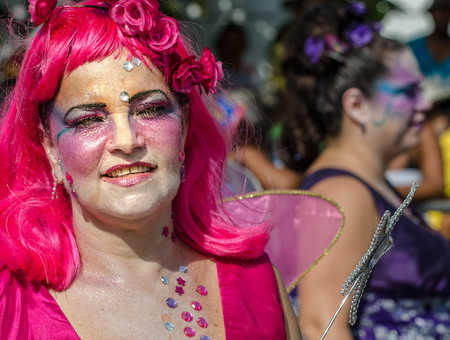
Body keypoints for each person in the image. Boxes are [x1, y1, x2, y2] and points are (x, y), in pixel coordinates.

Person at [0, 1, 301, 338]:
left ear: (184, 126)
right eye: (88, 119)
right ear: (50, 147)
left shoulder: (257, 283)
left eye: (150, 109)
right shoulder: (9, 304)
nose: (127, 141)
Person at [280, 3, 450, 339]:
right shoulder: (343, 194)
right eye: (407, 92)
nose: (425, 104)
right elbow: (321, 328)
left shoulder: (368, 184)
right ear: (357, 105)